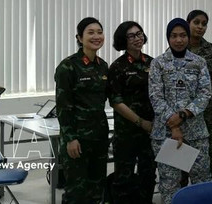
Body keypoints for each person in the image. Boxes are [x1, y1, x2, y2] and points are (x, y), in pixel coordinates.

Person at [148, 18, 212, 204]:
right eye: (174, 36)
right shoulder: (158, 64)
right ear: (168, 38)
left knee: (201, 181)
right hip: (166, 135)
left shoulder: (199, 62)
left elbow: (205, 93)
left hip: (196, 133)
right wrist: (173, 123)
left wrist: (183, 114)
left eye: (183, 35)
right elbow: (155, 97)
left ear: (188, 36)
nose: (178, 40)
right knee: (170, 185)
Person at [54, 17, 110, 203]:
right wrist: (70, 138)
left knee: (96, 189)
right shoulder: (68, 66)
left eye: (99, 32)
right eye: (90, 32)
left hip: (99, 137)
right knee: (76, 192)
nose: (96, 36)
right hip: (77, 139)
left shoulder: (103, 66)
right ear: (79, 37)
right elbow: (63, 106)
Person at [108, 21, 155, 203]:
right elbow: (116, 101)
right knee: (124, 179)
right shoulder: (117, 67)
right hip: (127, 132)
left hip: (150, 131)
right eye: (131, 35)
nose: (137, 38)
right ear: (123, 40)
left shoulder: (152, 62)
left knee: (148, 175)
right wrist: (140, 122)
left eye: (139, 33)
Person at [186, 10, 212, 181]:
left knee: (211, 160)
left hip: (210, 116)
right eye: (196, 22)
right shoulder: (178, 46)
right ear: (188, 22)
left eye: (204, 24)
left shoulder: (210, 50)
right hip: (185, 116)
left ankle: (210, 195)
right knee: (183, 162)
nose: (200, 27)